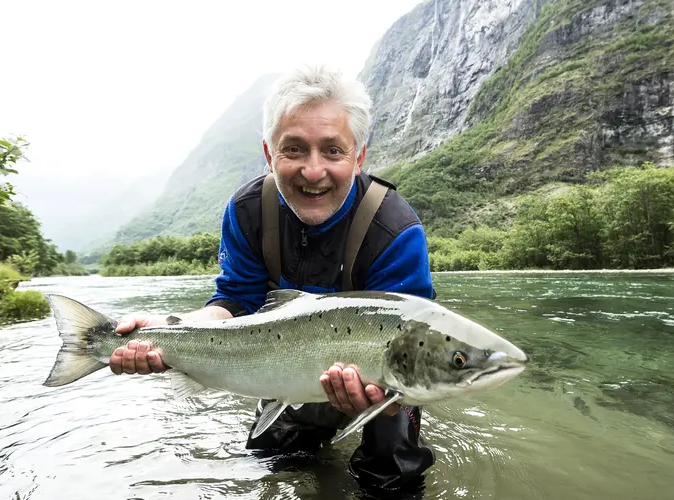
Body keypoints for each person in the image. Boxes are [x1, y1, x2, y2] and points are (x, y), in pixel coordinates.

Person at [107, 65, 436, 492]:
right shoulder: (247, 211)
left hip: (379, 380)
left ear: (359, 157)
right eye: (293, 149)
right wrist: (166, 330)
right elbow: (233, 302)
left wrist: (391, 404)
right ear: (269, 154)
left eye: (333, 151)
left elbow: (414, 352)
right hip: (286, 365)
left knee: (393, 479)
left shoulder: (396, 229)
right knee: (276, 464)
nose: (313, 171)